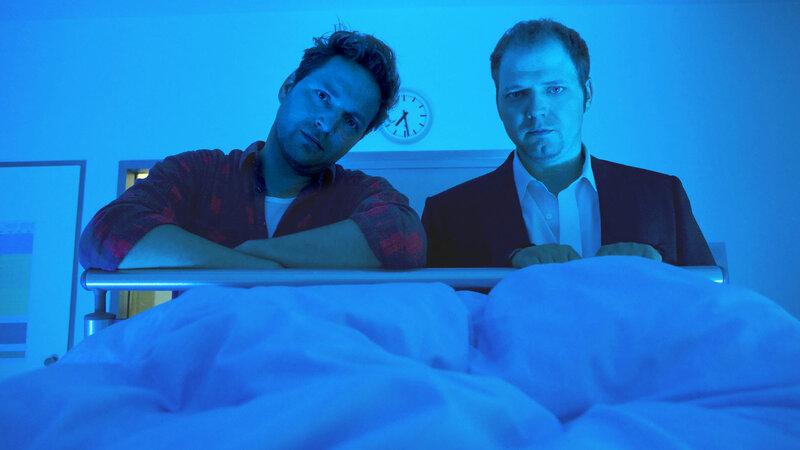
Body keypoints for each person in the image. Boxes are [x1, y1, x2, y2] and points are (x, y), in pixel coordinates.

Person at [80, 29, 426, 271]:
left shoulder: (359, 192)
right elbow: (107, 232)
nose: (327, 124)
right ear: (287, 87)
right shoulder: (200, 172)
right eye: (323, 96)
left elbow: (404, 237)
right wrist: (249, 268)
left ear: (358, 138)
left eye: (350, 121)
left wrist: (256, 252)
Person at [422, 19, 714, 268]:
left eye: (555, 89)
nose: (536, 110)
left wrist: (657, 267)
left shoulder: (662, 198)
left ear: (588, 93)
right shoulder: (447, 215)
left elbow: (712, 303)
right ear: (498, 105)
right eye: (516, 94)